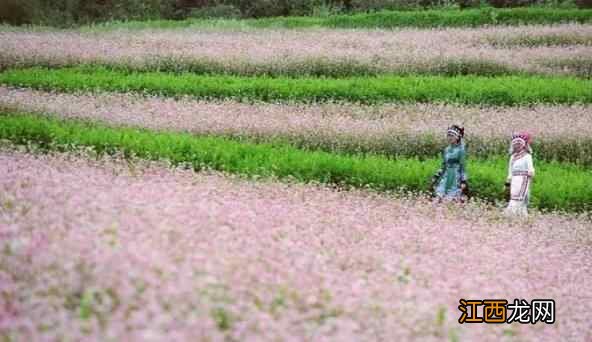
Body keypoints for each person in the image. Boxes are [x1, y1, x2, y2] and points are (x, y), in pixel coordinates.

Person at [432, 125, 468, 202]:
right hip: (446, 175)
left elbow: (462, 166)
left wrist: (463, 180)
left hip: (455, 176)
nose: (450, 137)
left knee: (450, 198)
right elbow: (444, 165)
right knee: (439, 196)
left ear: (457, 137)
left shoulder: (460, 150)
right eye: (448, 135)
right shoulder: (446, 150)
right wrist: (436, 175)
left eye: (452, 135)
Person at [504, 132, 535, 217]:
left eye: (519, 144)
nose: (517, 146)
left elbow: (531, 168)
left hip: (523, 178)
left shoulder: (527, 156)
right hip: (514, 179)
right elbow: (510, 170)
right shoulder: (512, 157)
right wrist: (508, 179)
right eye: (515, 144)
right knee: (513, 195)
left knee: (520, 196)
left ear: (523, 145)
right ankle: (518, 214)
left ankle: (516, 213)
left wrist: (531, 172)